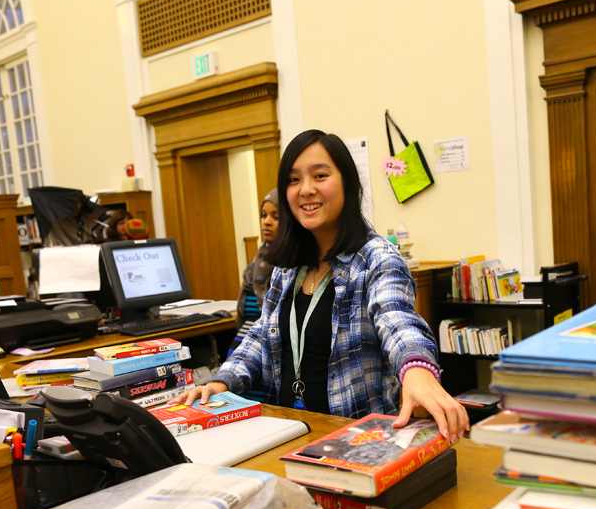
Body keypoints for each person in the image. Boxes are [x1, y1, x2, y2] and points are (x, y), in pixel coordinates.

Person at [172, 129, 469, 441]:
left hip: (355, 438)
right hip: (286, 430)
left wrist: (417, 370)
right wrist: (220, 383)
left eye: (320, 175)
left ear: (347, 183)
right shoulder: (287, 266)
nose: (306, 189)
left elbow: (396, 319)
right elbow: (262, 335)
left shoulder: (376, 258)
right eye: (294, 179)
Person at [236, 188, 280, 328]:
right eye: (263, 215)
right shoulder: (260, 257)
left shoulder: (291, 263)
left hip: (268, 331)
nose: (266, 222)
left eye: (276, 217)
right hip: (247, 327)